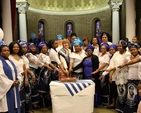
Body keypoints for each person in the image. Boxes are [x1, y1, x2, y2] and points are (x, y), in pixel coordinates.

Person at [106, 40, 131, 112]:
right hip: (117, 75)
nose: (119, 47)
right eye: (118, 46)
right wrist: (111, 75)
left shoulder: (128, 54)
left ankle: (125, 108)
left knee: (125, 92)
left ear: (124, 47)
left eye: (120, 46)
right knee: (119, 92)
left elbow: (120, 65)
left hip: (125, 75)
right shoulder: (116, 54)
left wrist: (111, 69)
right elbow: (112, 64)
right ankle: (119, 107)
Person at [9, 41, 28, 113]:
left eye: (17, 47)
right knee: (14, 97)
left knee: (21, 97)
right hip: (13, 79)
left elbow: (25, 69)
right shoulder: (9, 57)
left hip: (21, 78)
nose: (16, 48)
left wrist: (26, 79)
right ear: (11, 48)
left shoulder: (21, 57)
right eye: (14, 47)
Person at [0, 45, 20, 113]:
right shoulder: (0, 61)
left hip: (14, 87)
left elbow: (17, 72)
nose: (7, 52)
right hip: (6, 89)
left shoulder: (11, 61)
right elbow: (1, 76)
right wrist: (11, 83)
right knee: (6, 107)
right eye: (4, 51)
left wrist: (18, 79)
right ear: (0, 52)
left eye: (8, 50)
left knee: (15, 104)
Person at [99, 44, 118, 108]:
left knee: (115, 90)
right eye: (110, 50)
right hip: (111, 74)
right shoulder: (112, 56)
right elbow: (110, 66)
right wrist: (104, 74)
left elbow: (113, 67)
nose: (111, 51)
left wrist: (110, 75)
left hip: (116, 74)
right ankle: (112, 103)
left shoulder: (116, 56)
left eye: (113, 49)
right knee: (112, 90)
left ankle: (114, 103)